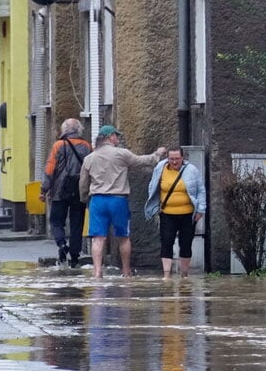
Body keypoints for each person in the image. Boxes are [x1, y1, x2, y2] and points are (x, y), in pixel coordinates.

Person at [79, 125, 166, 278]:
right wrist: (157, 154)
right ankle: (126, 271)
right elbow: (142, 161)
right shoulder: (121, 154)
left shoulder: (89, 158)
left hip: (97, 200)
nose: (118, 139)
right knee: (123, 237)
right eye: (116, 136)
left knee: (98, 238)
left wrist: (85, 199)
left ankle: (97, 272)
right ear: (110, 137)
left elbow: (83, 184)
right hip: (118, 200)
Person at [144, 147, 207, 279]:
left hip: (188, 214)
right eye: (171, 159)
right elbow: (153, 185)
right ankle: (166, 275)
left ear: (182, 158)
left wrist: (201, 210)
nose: (174, 162)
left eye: (177, 159)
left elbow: (201, 190)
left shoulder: (191, 170)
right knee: (166, 241)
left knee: (186, 243)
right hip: (167, 213)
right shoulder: (160, 168)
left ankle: (184, 274)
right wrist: (154, 205)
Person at [40, 119, 92, 268]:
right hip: (79, 190)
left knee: (56, 222)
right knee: (77, 224)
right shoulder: (87, 146)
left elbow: (50, 169)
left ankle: (62, 244)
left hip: (59, 191)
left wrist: (44, 190)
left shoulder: (58, 145)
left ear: (64, 130)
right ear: (78, 130)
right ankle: (75, 257)